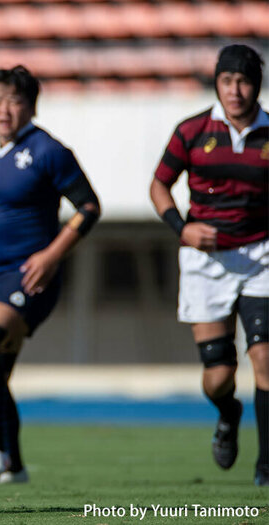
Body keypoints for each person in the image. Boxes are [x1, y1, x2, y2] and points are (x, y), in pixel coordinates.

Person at [0, 66, 101, 485]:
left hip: (31, 277)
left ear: (30, 105)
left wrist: (51, 255)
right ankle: (13, 464)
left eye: (13, 100)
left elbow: (89, 207)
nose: (3, 109)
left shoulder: (49, 151)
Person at [149, 44, 268, 487]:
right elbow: (159, 185)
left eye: (243, 81)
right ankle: (228, 413)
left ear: (257, 84)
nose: (235, 90)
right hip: (205, 262)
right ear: (216, 83)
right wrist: (183, 228)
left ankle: (266, 466)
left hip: (261, 257)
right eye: (226, 81)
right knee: (218, 377)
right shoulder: (193, 130)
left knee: (265, 356)